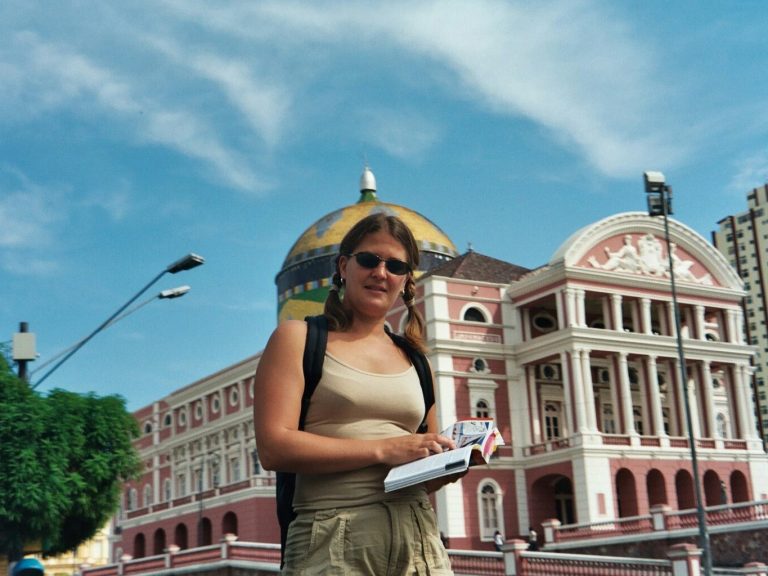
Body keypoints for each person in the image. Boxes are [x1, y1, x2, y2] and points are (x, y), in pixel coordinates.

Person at [254, 213, 458, 575]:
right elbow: (274, 447)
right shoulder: (298, 339)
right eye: (369, 260)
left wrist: (454, 464)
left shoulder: (415, 358)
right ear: (344, 266)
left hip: (419, 539)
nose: (381, 272)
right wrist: (385, 448)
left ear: (406, 281)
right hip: (332, 536)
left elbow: (423, 467)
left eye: (396, 265)